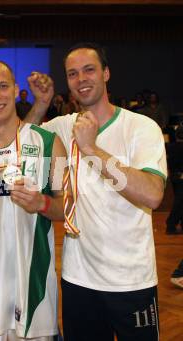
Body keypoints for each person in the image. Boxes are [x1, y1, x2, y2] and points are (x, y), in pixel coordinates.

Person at [29, 43, 166, 340]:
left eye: (89, 69)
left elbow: (153, 194)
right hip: (79, 281)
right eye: (73, 73)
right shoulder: (64, 127)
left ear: (106, 73)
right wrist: (41, 104)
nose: (82, 79)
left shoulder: (141, 128)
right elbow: (20, 144)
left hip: (133, 282)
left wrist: (91, 149)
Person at [0, 60, 66, 340]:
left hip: (34, 286)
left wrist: (41, 203)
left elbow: (67, 206)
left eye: (3, 86)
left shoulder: (48, 143)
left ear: (17, 90)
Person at [165, 123, 183, 234]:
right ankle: (171, 224)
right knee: (179, 202)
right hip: (180, 177)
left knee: (179, 200)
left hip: (174, 177)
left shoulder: (170, 147)